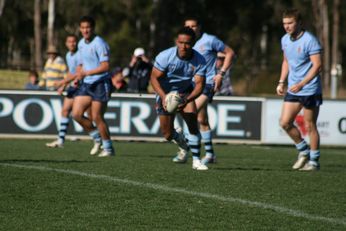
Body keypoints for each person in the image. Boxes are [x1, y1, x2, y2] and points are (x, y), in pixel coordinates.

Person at [150, 27, 208, 170]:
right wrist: (164, 97)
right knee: (167, 135)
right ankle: (182, 142)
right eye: (180, 42)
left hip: (184, 93)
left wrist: (187, 100)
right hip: (166, 93)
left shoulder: (199, 60)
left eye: (187, 43)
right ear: (177, 41)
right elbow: (154, 79)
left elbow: (199, 86)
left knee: (193, 125)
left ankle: (196, 161)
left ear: (193, 43)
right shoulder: (165, 56)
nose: (183, 46)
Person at [181, 17, 236, 164]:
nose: (191, 28)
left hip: (207, 83)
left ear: (199, 27)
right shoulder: (185, 43)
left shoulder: (209, 40)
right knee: (201, 119)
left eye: (194, 26)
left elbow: (230, 53)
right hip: (191, 84)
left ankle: (184, 150)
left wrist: (221, 74)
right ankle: (210, 154)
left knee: (190, 113)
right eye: (188, 26)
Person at [277, 9, 322, 171]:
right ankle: (304, 151)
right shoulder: (285, 40)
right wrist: (282, 81)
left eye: (290, 23)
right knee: (285, 122)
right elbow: (286, 62)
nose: (287, 27)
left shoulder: (310, 40)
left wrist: (302, 83)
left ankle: (314, 162)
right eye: (284, 24)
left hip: (310, 89)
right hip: (293, 88)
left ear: (299, 23)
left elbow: (317, 65)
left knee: (310, 126)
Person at [45, 35, 101, 154]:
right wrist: (64, 85)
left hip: (83, 87)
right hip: (73, 87)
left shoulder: (80, 54)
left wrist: (62, 82)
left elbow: (78, 72)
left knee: (87, 115)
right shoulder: (68, 55)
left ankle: (98, 139)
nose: (72, 44)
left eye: (74, 41)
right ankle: (61, 140)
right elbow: (71, 72)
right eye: (69, 41)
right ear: (66, 43)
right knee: (65, 110)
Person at [72, 16, 114, 157]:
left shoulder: (99, 43)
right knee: (76, 114)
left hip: (101, 83)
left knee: (97, 116)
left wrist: (87, 73)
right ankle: (97, 138)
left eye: (88, 27)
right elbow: (83, 64)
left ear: (93, 28)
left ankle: (108, 148)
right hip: (87, 83)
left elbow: (106, 66)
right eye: (83, 28)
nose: (85, 30)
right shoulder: (81, 44)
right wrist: (79, 76)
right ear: (80, 29)